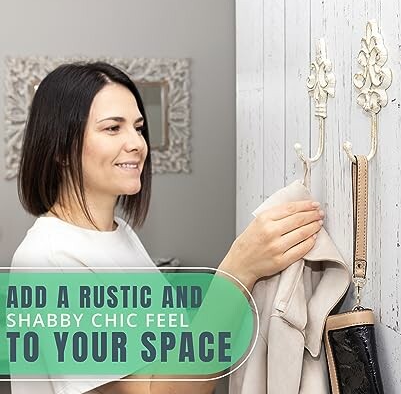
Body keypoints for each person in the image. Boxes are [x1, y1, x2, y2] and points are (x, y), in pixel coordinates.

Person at [11, 62, 324, 394]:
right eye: (113, 128)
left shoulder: (120, 234)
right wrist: (238, 270)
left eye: (138, 127)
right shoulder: (47, 259)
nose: (137, 143)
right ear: (61, 148)